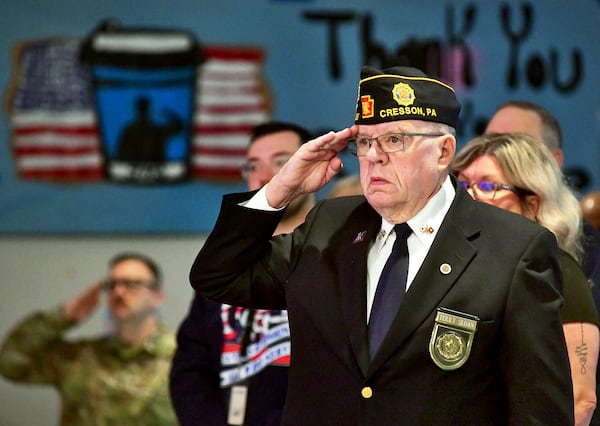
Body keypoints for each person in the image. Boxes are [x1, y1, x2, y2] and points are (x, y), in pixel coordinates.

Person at [189, 66, 574, 424]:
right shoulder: (330, 225)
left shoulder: (512, 248)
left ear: (443, 151)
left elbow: (538, 409)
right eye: (365, 142)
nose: (373, 157)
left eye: (394, 140)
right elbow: (219, 277)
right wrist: (279, 190)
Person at [169, 121, 314, 425]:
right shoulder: (227, 262)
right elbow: (190, 367)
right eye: (252, 165)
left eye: (280, 162)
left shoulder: (336, 252)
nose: (265, 175)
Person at [452, 132, 600, 426]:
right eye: (462, 184)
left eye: (486, 186)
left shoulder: (559, 272)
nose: (469, 196)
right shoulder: (454, 269)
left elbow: (580, 402)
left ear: (532, 203)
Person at [0, 252, 176, 425]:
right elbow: (9, 363)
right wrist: (62, 317)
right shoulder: (79, 359)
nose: (119, 292)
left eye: (132, 284)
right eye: (112, 284)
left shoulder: (186, 359)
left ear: (157, 295)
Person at [485, 100, 600, 296]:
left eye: (517, 145)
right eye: (490, 143)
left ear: (554, 162)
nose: (499, 156)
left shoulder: (587, 251)